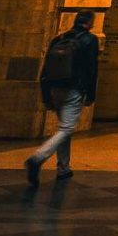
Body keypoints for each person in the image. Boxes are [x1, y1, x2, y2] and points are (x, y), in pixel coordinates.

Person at [24, 10, 99, 186]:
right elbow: (91, 69)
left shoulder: (59, 39)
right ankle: (37, 158)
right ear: (89, 22)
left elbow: (45, 68)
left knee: (64, 128)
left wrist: (46, 95)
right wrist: (91, 94)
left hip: (55, 88)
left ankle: (63, 168)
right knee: (66, 129)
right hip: (73, 90)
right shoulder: (89, 40)